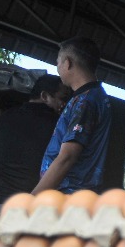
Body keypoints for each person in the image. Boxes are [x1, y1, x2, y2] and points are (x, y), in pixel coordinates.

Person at [0, 75, 70, 214]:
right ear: (45, 96)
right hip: (27, 209)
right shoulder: (58, 125)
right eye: (62, 98)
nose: (65, 104)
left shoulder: (6, 117)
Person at [33, 37, 112, 194]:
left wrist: (33, 198)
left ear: (67, 63)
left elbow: (67, 157)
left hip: (69, 196)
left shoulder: (86, 101)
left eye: (58, 62)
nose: (57, 67)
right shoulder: (90, 97)